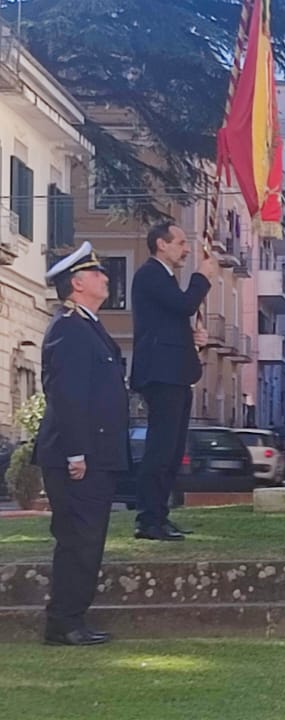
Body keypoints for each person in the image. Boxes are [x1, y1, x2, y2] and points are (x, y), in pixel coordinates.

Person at [36, 242, 130, 646]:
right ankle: (64, 622)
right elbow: (68, 396)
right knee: (79, 541)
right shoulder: (70, 328)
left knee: (87, 541)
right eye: (97, 273)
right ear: (77, 283)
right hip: (80, 457)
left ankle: (71, 617)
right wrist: (76, 452)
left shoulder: (87, 325)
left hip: (97, 453)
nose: (105, 278)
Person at [130, 222, 217, 541]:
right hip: (162, 374)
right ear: (161, 245)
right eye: (180, 242)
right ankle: (148, 518)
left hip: (175, 372)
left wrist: (192, 337)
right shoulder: (150, 274)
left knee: (172, 449)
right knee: (161, 448)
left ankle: (159, 515)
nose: (187, 248)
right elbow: (183, 305)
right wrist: (202, 277)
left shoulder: (164, 279)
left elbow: (169, 320)